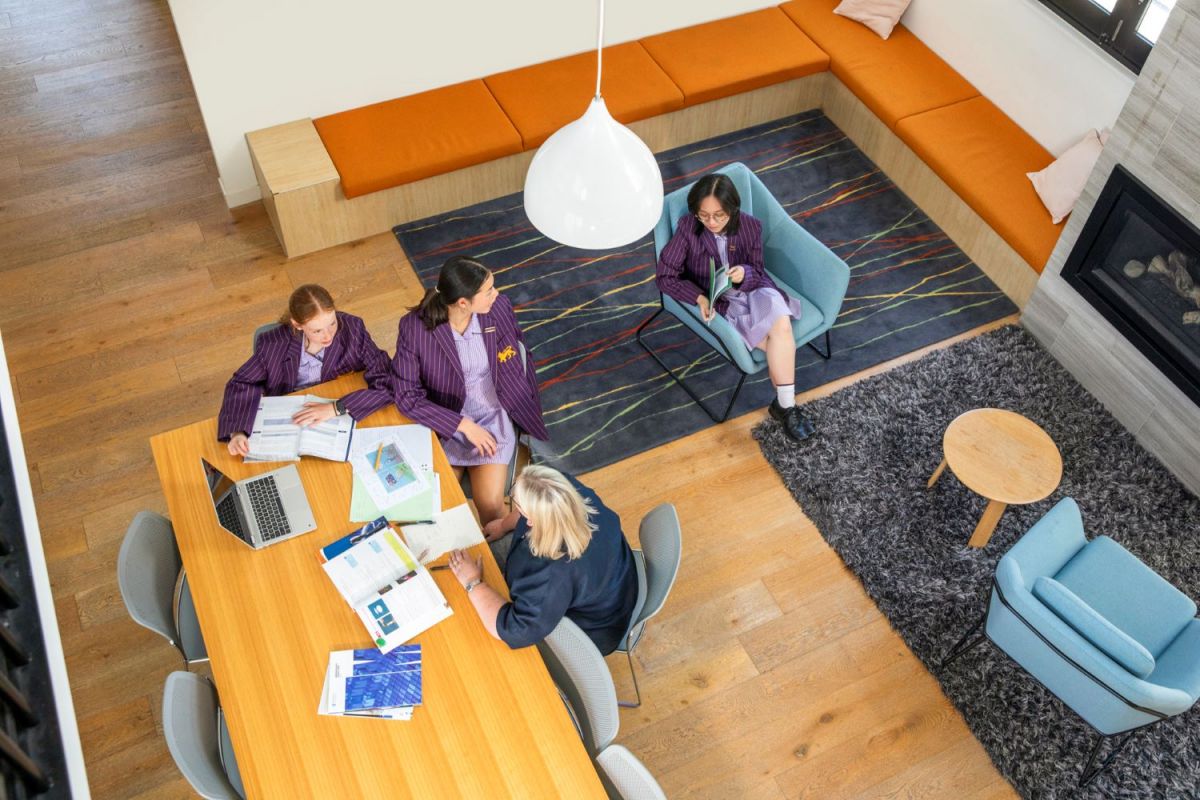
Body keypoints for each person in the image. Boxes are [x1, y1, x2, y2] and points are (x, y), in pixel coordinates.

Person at [656, 172, 815, 441]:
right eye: (703, 215)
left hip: (755, 288)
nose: (711, 222)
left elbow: (758, 269)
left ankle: (786, 406)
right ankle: (786, 408)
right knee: (777, 340)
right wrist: (700, 297)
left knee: (781, 324)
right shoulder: (687, 228)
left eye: (719, 215)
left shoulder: (750, 226)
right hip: (724, 300)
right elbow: (665, 276)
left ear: (732, 209)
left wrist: (744, 274)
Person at [392, 256, 548, 526]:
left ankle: (498, 561)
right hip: (444, 420)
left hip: (492, 417)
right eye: (488, 291)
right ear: (463, 302)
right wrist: (461, 424)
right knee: (434, 506)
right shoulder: (414, 328)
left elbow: (516, 348)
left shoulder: (497, 308)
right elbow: (406, 396)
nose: (496, 294)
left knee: (490, 505)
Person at [447, 465, 638, 654]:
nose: (514, 498)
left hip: (592, 628)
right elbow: (534, 505)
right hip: (613, 581)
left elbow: (516, 629)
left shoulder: (551, 572)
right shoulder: (564, 491)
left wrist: (472, 582)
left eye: (517, 502)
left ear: (531, 520)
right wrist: (504, 525)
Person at [218, 284, 394, 456]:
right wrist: (237, 432)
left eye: (332, 323)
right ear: (297, 324)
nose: (328, 335)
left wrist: (336, 408)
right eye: (317, 330)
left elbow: (388, 381)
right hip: (291, 414)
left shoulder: (353, 329)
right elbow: (241, 382)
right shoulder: (272, 344)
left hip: (337, 408)